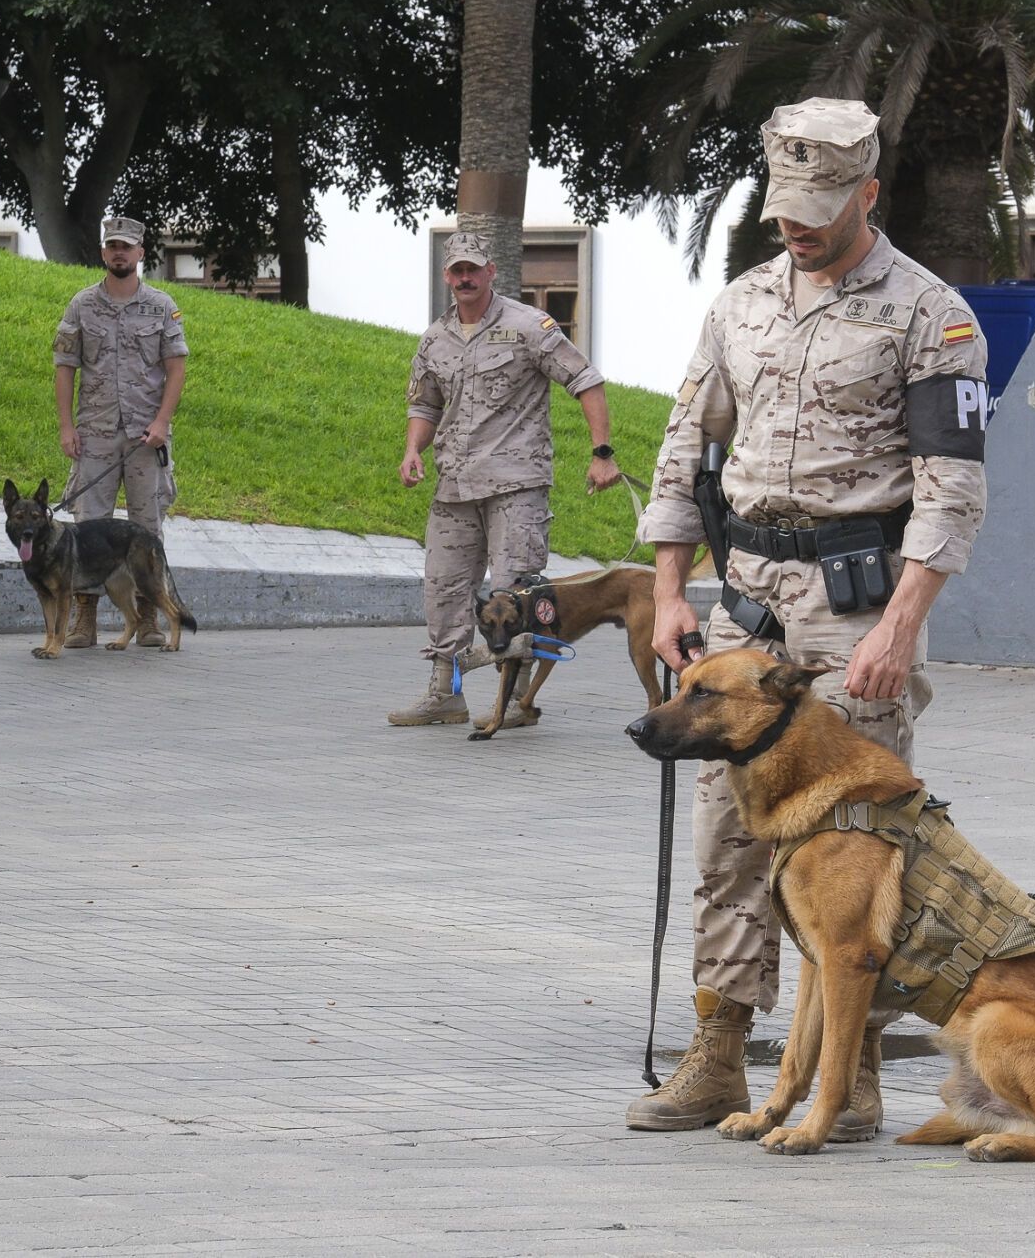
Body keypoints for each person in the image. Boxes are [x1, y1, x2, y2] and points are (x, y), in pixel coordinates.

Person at [624, 98, 989, 1136]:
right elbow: (684, 451)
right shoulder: (738, 304)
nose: (798, 225)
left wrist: (900, 626)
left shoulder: (930, 316)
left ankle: (851, 1069)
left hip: (852, 606)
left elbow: (950, 490)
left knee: (851, 848)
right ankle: (717, 1052)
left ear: (867, 193)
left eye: (820, 208)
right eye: (785, 205)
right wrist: (668, 591)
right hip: (744, 600)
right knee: (722, 833)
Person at [388, 231, 621, 727]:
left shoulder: (528, 326)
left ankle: (516, 700)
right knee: (444, 590)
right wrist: (412, 450)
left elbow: (586, 381)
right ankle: (445, 693)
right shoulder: (434, 339)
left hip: (516, 485)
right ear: (447, 275)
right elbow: (425, 404)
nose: (465, 278)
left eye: (473, 268)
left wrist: (602, 453)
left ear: (490, 271)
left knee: (517, 594)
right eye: (456, 270)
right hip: (454, 487)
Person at [53, 215, 189, 648]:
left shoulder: (161, 306)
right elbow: (65, 367)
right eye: (112, 245)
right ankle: (84, 621)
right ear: (103, 252)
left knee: (146, 528)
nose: (119, 253)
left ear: (140, 253)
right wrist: (67, 426)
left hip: (144, 438)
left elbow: (176, 367)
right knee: (88, 528)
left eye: (126, 247)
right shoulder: (81, 305)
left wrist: (162, 422)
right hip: (94, 432)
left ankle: (148, 619)